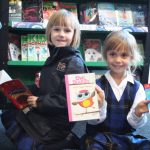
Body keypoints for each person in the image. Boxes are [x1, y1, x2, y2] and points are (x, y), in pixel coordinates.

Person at [1, 9, 87, 150]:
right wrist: (28, 87)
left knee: (16, 117)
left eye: (67, 31)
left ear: (74, 35)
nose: (61, 34)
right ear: (50, 33)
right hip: (49, 112)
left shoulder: (74, 62)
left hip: (56, 124)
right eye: (57, 29)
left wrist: (39, 102)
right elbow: (52, 86)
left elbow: (72, 100)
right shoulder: (54, 57)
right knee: (12, 110)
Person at [83, 30, 150, 150]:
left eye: (124, 55)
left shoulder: (137, 87)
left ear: (132, 57)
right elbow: (91, 122)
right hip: (99, 137)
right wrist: (97, 107)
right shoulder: (96, 85)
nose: (118, 60)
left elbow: (136, 125)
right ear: (105, 55)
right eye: (113, 54)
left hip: (126, 137)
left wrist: (138, 113)